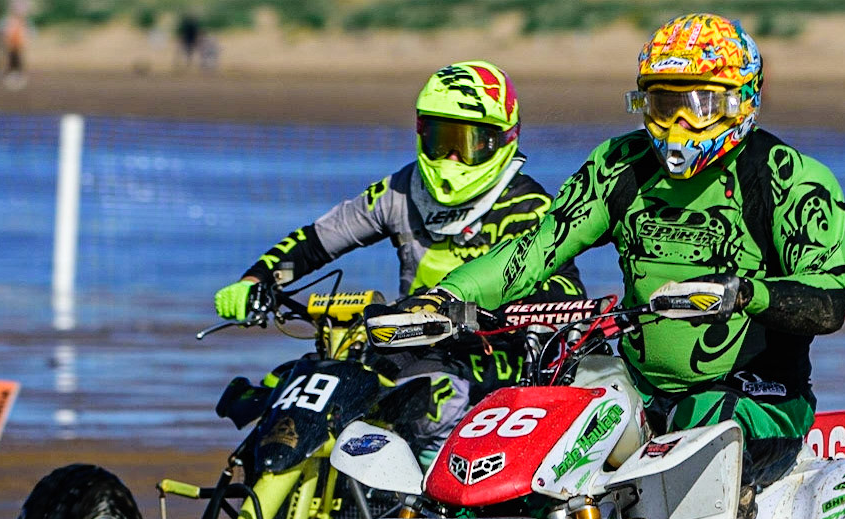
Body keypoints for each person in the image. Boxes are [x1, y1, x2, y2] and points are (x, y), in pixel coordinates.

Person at [429, 13, 845, 519]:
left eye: (700, 105)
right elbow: (536, 248)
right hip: (641, 386)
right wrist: (447, 296)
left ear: (742, 100)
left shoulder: (792, 178)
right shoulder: (620, 164)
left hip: (760, 395)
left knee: (704, 423)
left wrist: (742, 293)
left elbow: (828, 303)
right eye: (663, 104)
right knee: (549, 408)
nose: (679, 125)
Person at [212, 61, 583, 453]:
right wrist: (258, 280)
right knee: (300, 389)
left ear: (501, 141)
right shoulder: (402, 190)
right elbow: (316, 242)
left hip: (495, 354)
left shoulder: (528, 206)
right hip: (402, 344)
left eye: (467, 144)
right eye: (441, 140)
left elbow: (568, 292)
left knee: (434, 400)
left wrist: (478, 313)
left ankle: (432, 485)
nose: (451, 159)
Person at [1, 0, 30, 89]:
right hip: (12, 45)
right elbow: (7, 33)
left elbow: (22, 34)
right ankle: (12, 78)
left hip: (17, 44)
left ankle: (17, 77)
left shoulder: (18, 21)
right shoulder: (11, 21)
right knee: (12, 61)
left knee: (17, 61)